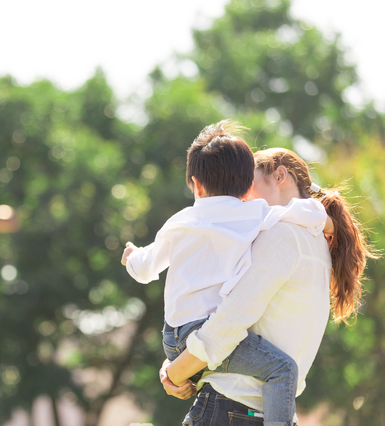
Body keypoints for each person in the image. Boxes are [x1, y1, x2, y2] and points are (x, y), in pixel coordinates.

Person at [121, 121, 331, 426]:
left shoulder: (181, 220)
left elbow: (145, 267)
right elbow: (305, 212)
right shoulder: (257, 218)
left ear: (196, 183)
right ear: (246, 187)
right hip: (224, 378)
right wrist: (330, 223)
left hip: (175, 336)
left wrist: (131, 256)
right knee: (283, 370)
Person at [161, 147, 376, 426]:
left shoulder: (282, 235)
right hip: (267, 411)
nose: (242, 197)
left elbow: (229, 321)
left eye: (249, 185)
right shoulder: (314, 242)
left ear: (280, 176)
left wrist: (175, 371)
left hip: (231, 409)